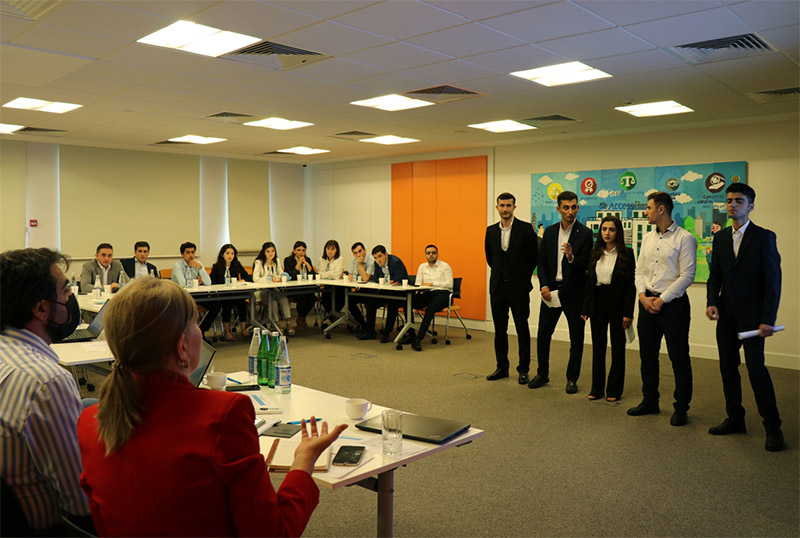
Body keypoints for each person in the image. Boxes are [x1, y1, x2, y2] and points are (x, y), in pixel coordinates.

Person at [77, 278, 347, 536]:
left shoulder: (91, 420)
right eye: (195, 322)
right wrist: (303, 461)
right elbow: (272, 533)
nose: (200, 331)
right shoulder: (223, 414)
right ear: (182, 347)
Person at [0, 248, 93, 534]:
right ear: (41, 309)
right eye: (65, 291)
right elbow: (81, 503)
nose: (70, 298)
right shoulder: (47, 382)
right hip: (51, 526)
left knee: (90, 403)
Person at [706, 183, 784, 451]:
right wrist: (711, 302)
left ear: (750, 206)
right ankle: (735, 418)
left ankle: (772, 426)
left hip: (754, 320)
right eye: (729, 200)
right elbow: (715, 275)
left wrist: (768, 319)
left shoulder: (764, 237)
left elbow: (773, 282)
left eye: (739, 200)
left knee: (756, 370)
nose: (732, 205)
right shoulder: (720, 238)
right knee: (728, 368)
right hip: (726, 317)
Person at [629, 192, 697, 426]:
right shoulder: (648, 238)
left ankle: (681, 407)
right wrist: (642, 296)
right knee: (647, 356)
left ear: (661, 210)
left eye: (648, 208)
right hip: (647, 303)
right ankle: (650, 400)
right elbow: (639, 271)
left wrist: (662, 300)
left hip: (673, 306)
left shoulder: (685, 238)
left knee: (679, 357)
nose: (645, 212)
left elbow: (687, 276)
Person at [530, 190, 592, 393]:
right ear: (558, 209)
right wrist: (544, 285)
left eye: (573, 207)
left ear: (578, 208)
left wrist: (572, 258)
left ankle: (572, 379)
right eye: (566, 207)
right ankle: (542, 374)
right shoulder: (549, 232)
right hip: (551, 290)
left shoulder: (585, 233)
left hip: (574, 292)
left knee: (576, 338)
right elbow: (541, 261)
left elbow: (586, 265)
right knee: (543, 334)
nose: (570, 211)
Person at [580, 216, 635, 401]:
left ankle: (614, 390)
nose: (607, 233)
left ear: (617, 232)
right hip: (598, 303)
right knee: (598, 348)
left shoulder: (626, 253)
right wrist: (586, 308)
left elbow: (630, 286)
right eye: (604, 229)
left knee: (618, 348)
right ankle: (597, 388)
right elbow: (588, 283)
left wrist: (628, 313)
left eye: (611, 229)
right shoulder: (595, 252)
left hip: (618, 305)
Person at [484, 192, 538, 383]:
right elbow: (490, 258)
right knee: (500, 330)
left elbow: (533, 256)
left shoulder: (525, 229)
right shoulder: (491, 231)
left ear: (514, 207)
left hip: (518, 288)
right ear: (497, 207)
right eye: (502, 205)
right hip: (498, 288)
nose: (505, 209)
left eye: (508, 205)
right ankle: (502, 367)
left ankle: (523, 369)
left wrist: (521, 276)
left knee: (522, 328)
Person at [358, 245, 408, 342]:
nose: (378, 260)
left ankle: (386, 333)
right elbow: (375, 278)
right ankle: (370, 332)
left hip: (400, 293)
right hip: (386, 291)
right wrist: (387, 280)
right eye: (375, 258)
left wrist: (386, 280)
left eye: (380, 256)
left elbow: (398, 279)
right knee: (370, 302)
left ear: (386, 254)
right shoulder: (377, 263)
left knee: (392, 304)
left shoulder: (396, 262)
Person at [410, 244, 453, 352]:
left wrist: (432, 283)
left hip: (444, 294)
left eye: (433, 253)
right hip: (428, 293)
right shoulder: (422, 267)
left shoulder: (445, 266)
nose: (431, 255)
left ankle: (418, 338)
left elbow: (450, 284)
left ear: (437, 254)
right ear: (425, 255)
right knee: (409, 302)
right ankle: (410, 333)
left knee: (431, 308)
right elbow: (418, 283)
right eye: (428, 253)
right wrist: (425, 286)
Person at [171, 242, 220, 338]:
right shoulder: (178, 265)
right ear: (182, 254)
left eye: (193, 252)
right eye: (188, 252)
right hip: (181, 295)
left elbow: (208, 283)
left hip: (196, 294)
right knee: (189, 309)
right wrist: (197, 282)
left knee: (216, 306)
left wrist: (200, 268)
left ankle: (201, 331)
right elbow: (183, 284)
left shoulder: (198, 264)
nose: (191, 255)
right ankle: (186, 335)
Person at [210, 244, 252, 341]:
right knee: (227, 303)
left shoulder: (236, 264)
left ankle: (243, 329)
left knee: (242, 303)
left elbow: (247, 276)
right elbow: (211, 282)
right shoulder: (217, 266)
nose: (230, 256)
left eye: (232, 253)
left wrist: (243, 280)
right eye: (227, 253)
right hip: (223, 294)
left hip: (235, 292)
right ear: (222, 254)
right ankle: (227, 331)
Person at [253, 242, 294, 335]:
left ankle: (288, 323)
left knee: (284, 299)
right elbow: (255, 279)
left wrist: (281, 277)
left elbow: (282, 274)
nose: (271, 253)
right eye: (268, 251)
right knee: (273, 302)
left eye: (272, 251)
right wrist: (270, 278)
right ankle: (277, 324)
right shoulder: (259, 262)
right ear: (264, 252)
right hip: (263, 291)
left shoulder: (277, 261)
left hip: (274, 290)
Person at [283, 241, 317, 330]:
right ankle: (301, 319)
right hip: (293, 288)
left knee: (312, 298)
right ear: (294, 251)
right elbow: (291, 276)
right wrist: (298, 263)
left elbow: (313, 275)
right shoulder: (288, 260)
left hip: (305, 287)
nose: (301, 252)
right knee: (303, 298)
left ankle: (301, 318)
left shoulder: (307, 260)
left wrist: (306, 263)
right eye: (298, 250)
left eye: (303, 250)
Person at [346, 242, 375, 332]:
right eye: (355, 253)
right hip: (362, 288)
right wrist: (352, 276)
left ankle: (369, 329)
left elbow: (366, 278)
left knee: (368, 301)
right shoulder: (354, 259)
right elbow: (350, 275)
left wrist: (359, 264)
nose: (358, 255)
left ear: (365, 251)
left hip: (373, 289)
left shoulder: (371, 260)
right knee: (349, 300)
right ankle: (362, 324)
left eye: (360, 251)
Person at [318, 240, 346, 325]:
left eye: (332, 249)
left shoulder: (340, 259)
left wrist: (324, 274)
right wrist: (331, 273)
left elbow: (337, 275)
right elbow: (319, 274)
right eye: (328, 249)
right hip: (326, 286)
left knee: (340, 297)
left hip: (338, 286)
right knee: (324, 299)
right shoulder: (321, 259)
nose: (330, 251)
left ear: (336, 250)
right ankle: (333, 316)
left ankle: (335, 315)